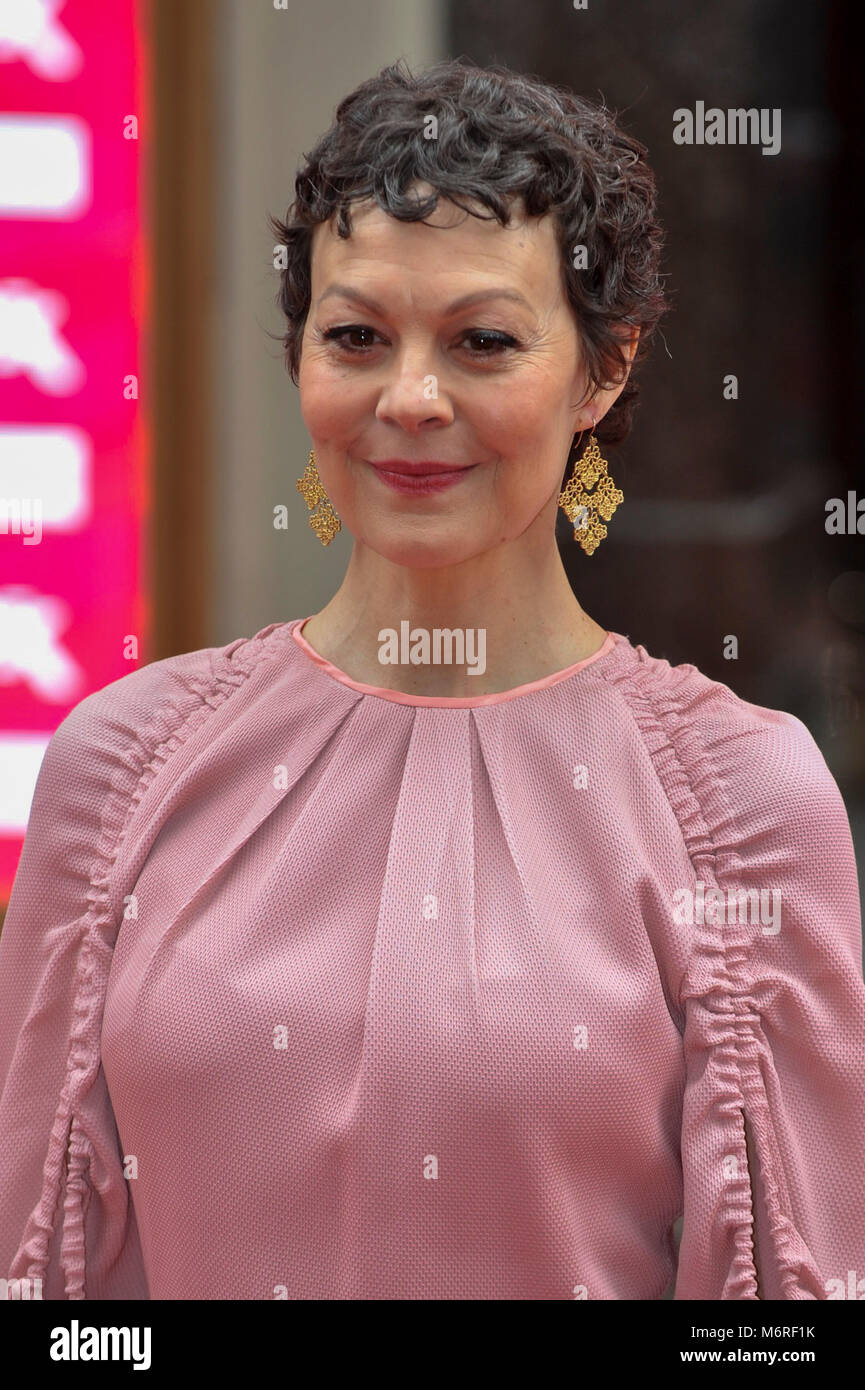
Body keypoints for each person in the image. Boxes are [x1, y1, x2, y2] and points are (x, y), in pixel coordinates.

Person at [1, 57, 863, 1302]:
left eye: (481, 342)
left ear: (602, 370)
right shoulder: (121, 765)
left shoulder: (737, 801)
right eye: (356, 336)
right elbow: (48, 1283)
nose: (410, 398)